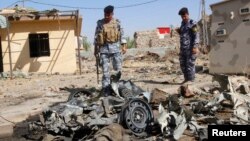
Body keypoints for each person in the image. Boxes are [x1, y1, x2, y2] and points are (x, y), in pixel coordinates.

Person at [94, 5, 127, 97]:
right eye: (105, 14)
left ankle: (117, 88)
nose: (106, 16)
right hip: (104, 50)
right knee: (105, 72)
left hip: (116, 49)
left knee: (118, 70)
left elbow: (122, 34)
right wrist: (95, 50)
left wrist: (124, 45)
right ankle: (106, 90)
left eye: (108, 14)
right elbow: (96, 37)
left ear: (112, 13)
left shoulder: (117, 22)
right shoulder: (100, 23)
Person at [176, 7, 199, 83]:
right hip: (183, 49)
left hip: (190, 48)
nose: (184, 18)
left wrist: (195, 47)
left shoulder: (192, 23)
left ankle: (191, 81)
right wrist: (179, 32)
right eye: (182, 17)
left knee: (190, 65)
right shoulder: (182, 24)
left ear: (188, 14)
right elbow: (185, 35)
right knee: (183, 64)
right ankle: (186, 79)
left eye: (185, 16)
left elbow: (196, 35)